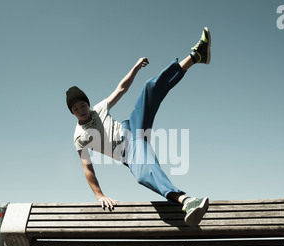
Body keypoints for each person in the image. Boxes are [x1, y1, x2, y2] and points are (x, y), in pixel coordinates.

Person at [66, 27, 211, 227]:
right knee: (144, 175)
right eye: (76, 108)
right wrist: (100, 195)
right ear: (72, 112)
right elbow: (87, 168)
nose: (81, 110)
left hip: (133, 127)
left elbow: (122, 88)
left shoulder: (99, 108)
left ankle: (196, 56)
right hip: (128, 152)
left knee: (149, 88)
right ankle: (185, 200)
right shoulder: (79, 137)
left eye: (83, 105)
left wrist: (135, 67)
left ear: (88, 104)